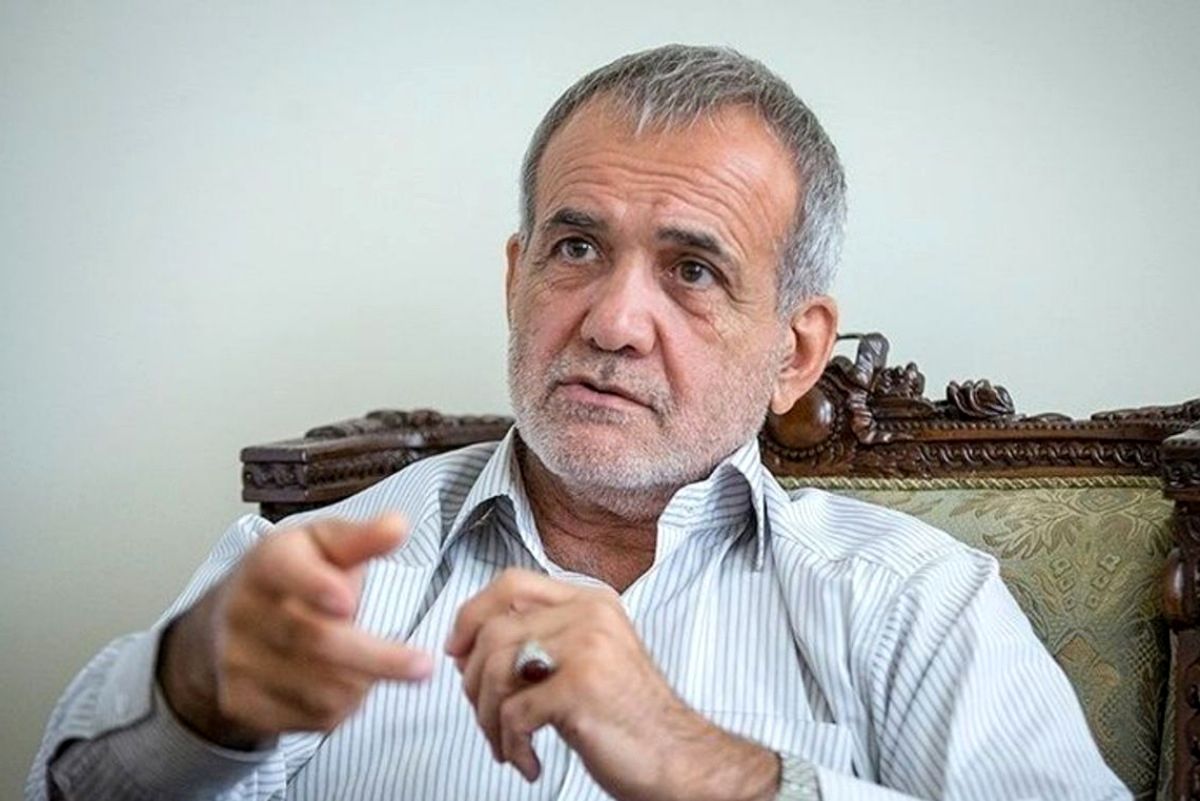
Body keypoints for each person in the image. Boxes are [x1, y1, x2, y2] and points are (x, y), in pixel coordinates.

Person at [28, 44, 1129, 801]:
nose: (612, 321)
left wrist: (712, 768)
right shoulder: (317, 580)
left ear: (795, 352)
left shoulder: (917, 607)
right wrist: (191, 699)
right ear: (517, 280)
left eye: (692, 270)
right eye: (576, 248)